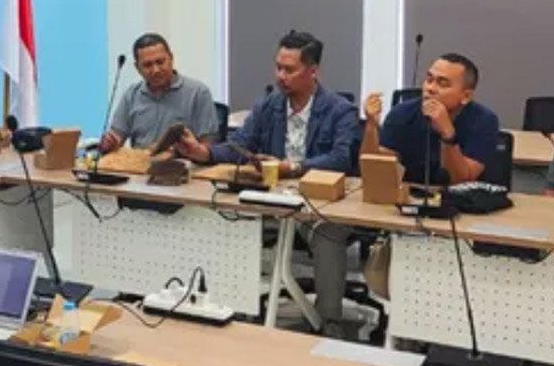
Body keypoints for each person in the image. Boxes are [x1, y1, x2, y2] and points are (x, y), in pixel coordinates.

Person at [176, 31, 359, 335]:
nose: (280, 76)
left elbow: (341, 159)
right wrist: (204, 153)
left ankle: (329, 322)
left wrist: (292, 168)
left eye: (289, 70)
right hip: (269, 200)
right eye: (278, 67)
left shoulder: (340, 110)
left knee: (329, 233)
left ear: (313, 71)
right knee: (225, 219)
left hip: (317, 203)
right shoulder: (269, 106)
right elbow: (240, 146)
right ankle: (235, 306)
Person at [362, 53, 498, 185]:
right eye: (429, 80)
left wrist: (448, 135)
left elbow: (461, 181)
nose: (430, 88)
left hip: (459, 198)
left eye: (442, 83)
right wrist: (371, 126)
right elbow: (377, 171)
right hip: (410, 194)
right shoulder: (402, 113)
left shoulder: (484, 121)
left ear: (466, 96)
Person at [100, 33, 218, 153]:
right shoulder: (131, 95)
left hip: (180, 162)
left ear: (171, 58)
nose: (155, 70)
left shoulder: (198, 93)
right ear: (137, 68)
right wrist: (111, 143)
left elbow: (208, 148)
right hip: (140, 162)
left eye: (160, 62)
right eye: (147, 65)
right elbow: (117, 138)